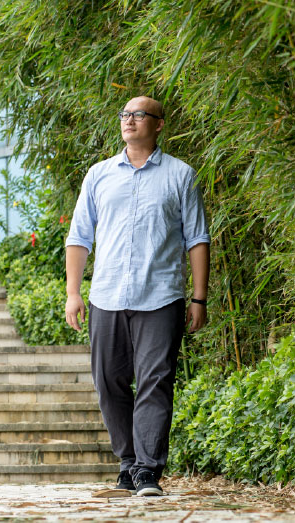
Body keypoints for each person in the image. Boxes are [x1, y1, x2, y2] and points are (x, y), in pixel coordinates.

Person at [64, 96, 210, 496]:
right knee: (108, 381)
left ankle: (147, 469)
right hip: (107, 295)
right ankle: (128, 462)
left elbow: (197, 239)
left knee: (155, 381)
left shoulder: (181, 175)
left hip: (160, 296)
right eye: (124, 114)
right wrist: (72, 293)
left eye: (139, 115)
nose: (129, 120)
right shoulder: (98, 175)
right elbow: (79, 238)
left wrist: (199, 298)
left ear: (159, 124)